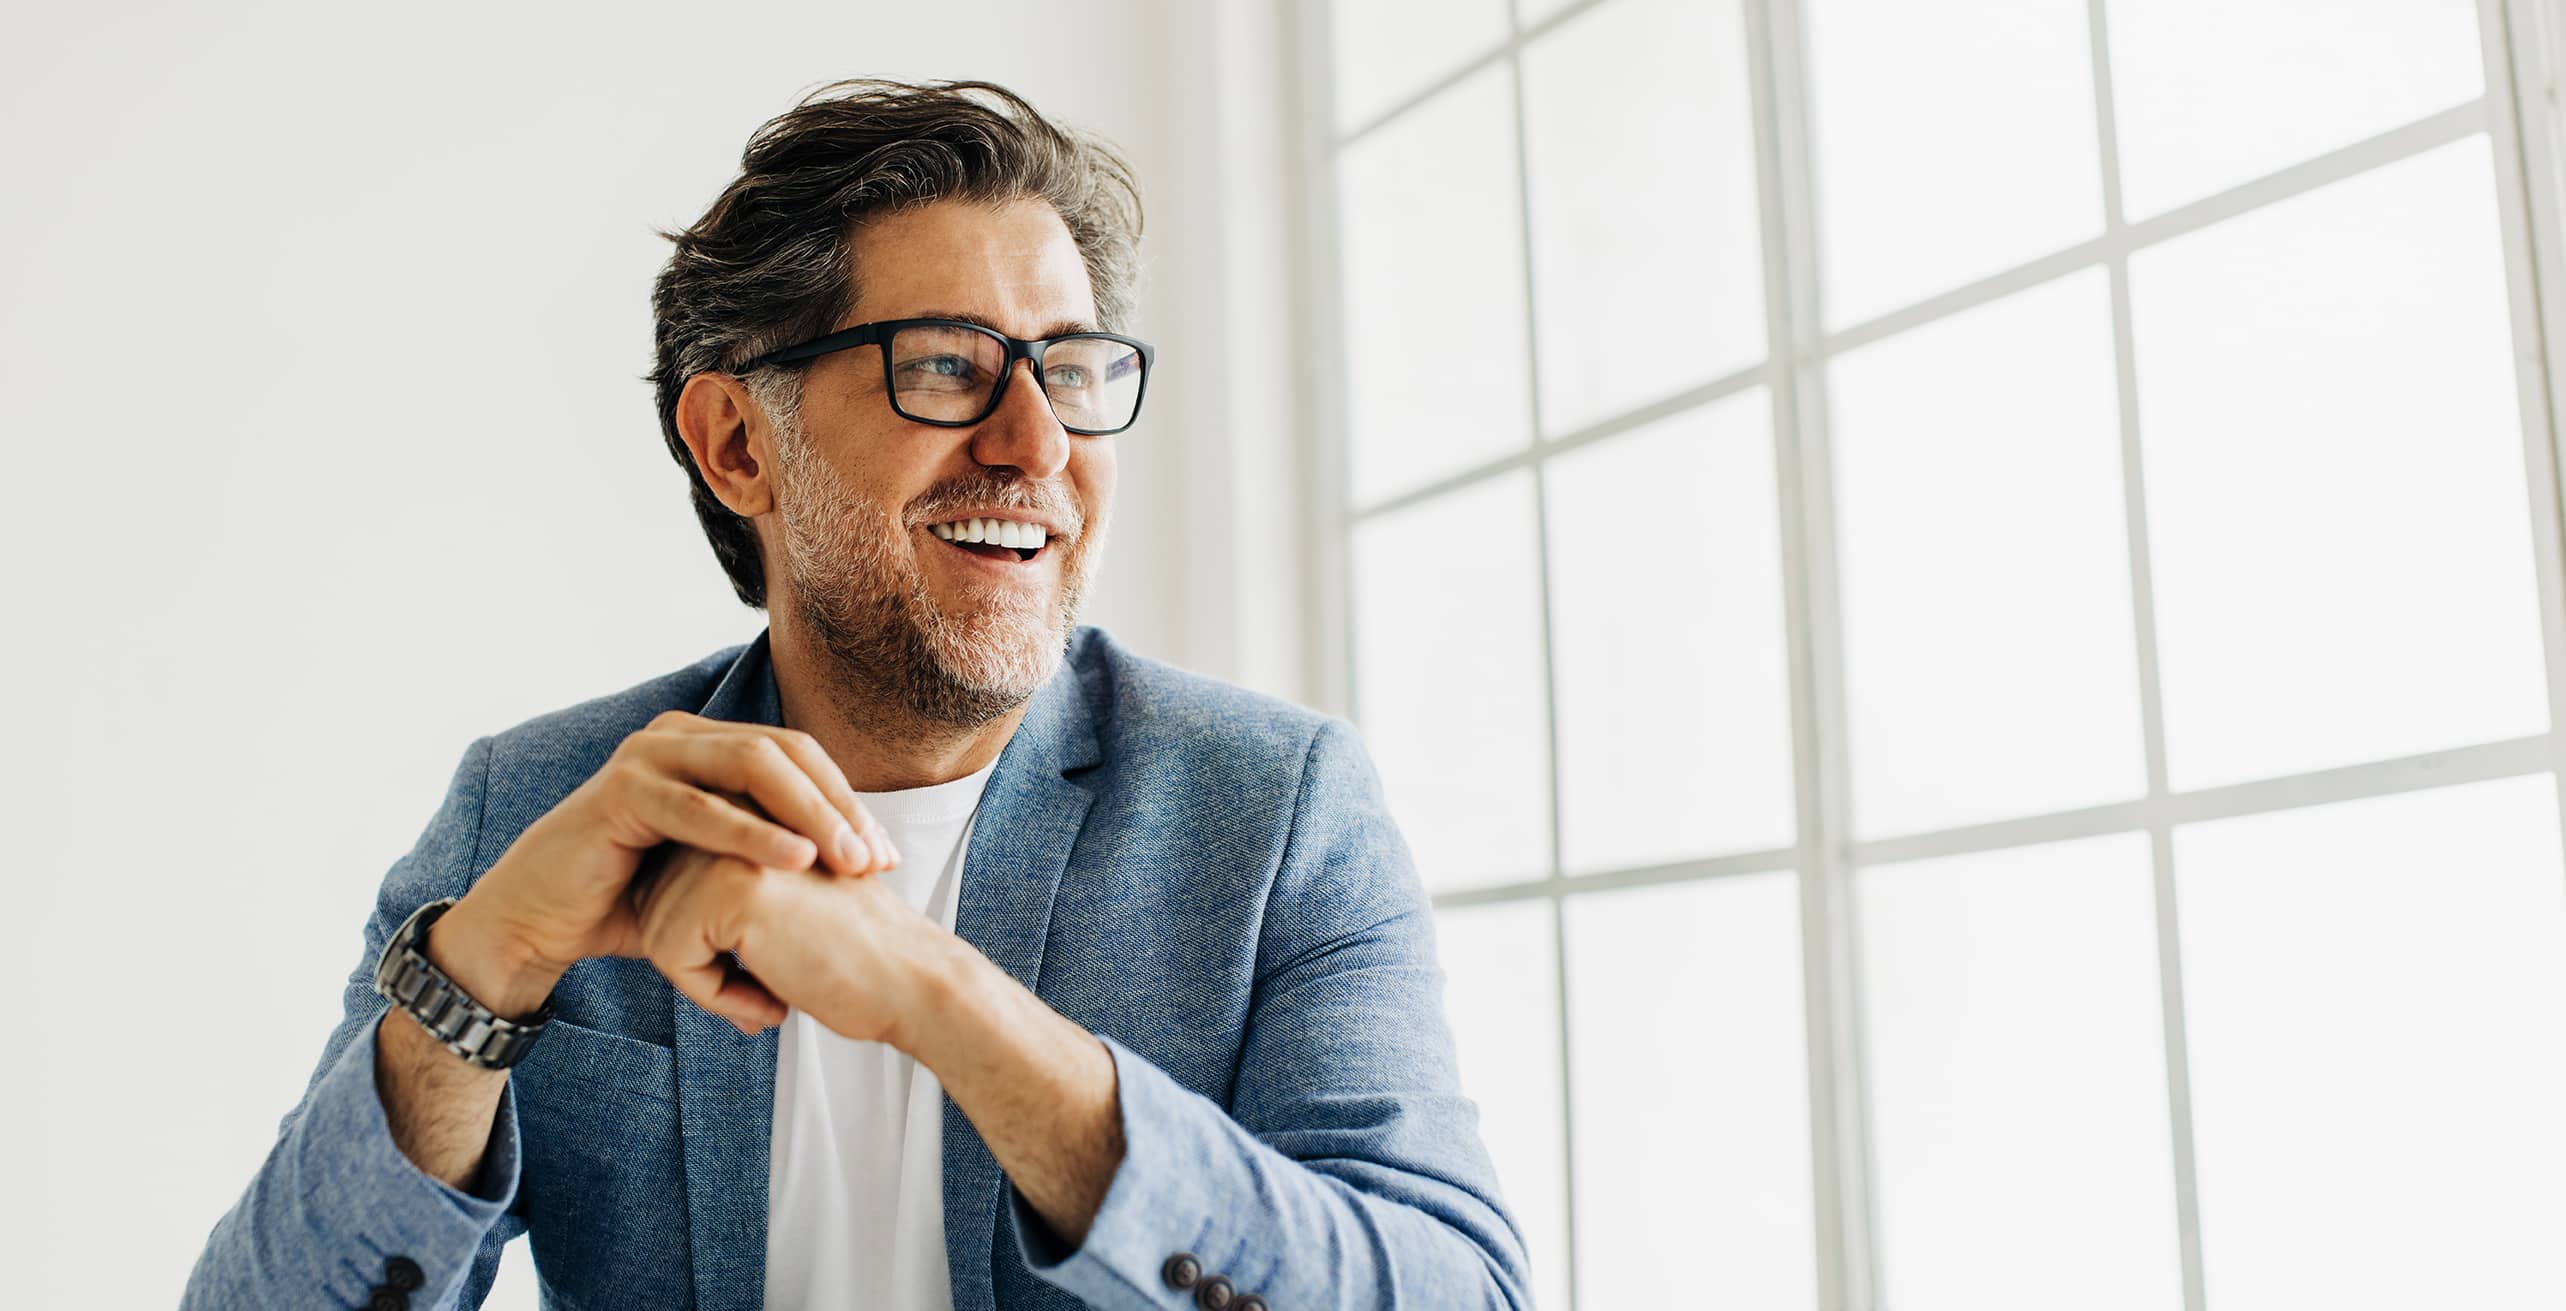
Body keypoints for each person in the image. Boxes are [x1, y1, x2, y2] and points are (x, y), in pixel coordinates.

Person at [179, 77, 1531, 1311]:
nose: (1037, 444)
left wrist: (945, 1003)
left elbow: (1457, 1291)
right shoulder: (535, 810)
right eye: (946, 364)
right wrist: (474, 982)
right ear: (733, 445)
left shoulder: (1273, 806)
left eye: (1067, 367)